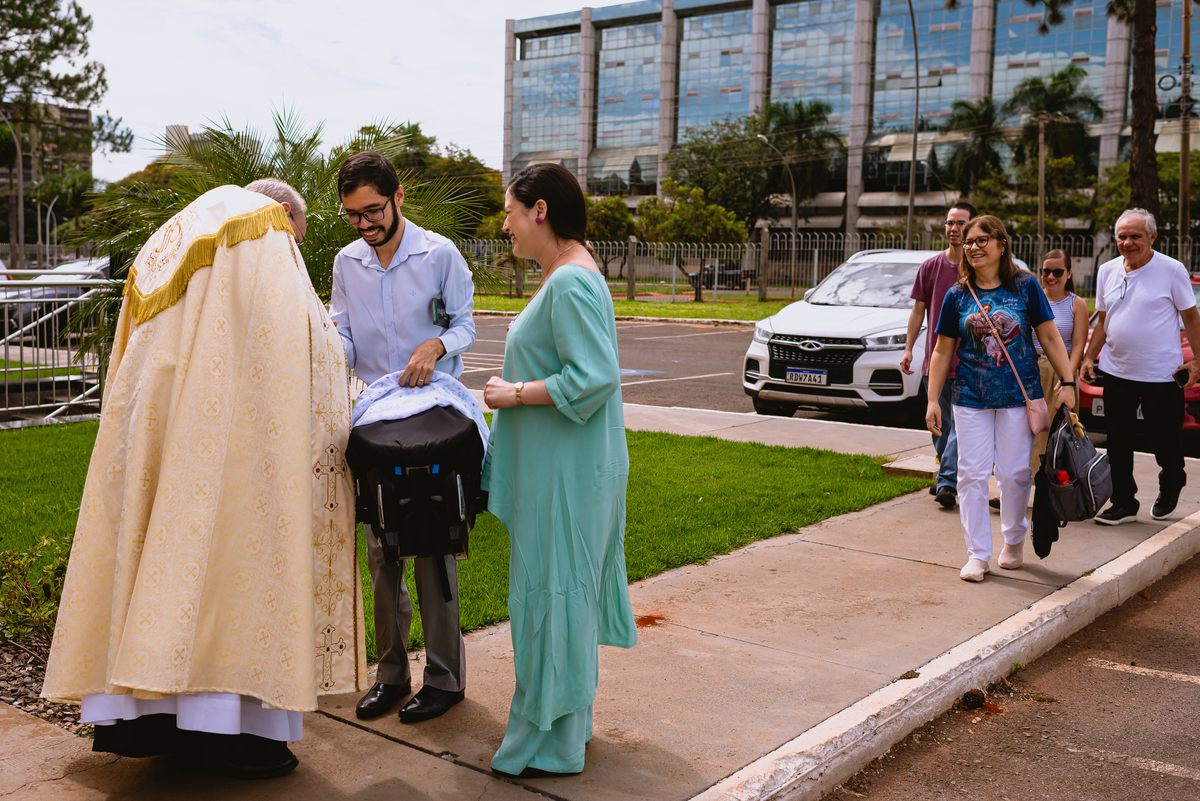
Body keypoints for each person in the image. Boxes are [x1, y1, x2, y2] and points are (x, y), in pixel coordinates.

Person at [41, 182, 365, 778]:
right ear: (285, 215)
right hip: (237, 447)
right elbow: (296, 343)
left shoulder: (177, 232)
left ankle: (148, 722)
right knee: (231, 581)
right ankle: (235, 737)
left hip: (161, 431)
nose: (293, 248)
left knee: (164, 572)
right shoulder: (261, 230)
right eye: (297, 237)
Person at [482, 163, 637, 775]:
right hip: (566, 467)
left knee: (552, 598)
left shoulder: (570, 282)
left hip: (566, 474)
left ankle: (548, 740)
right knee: (559, 596)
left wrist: (512, 393)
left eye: (511, 212)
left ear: (539, 210)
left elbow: (593, 377)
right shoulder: (571, 274)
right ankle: (565, 727)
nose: (506, 225)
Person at [329, 151, 477, 723]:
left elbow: (465, 324)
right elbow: (343, 335)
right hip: (375, 414)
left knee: (435, 541)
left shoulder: (439, 254)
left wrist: (435, 346)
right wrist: (318, 343)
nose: (365, 226)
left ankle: (444, 678)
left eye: (373, 212)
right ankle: (390, 675)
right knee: (380, 549)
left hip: (435, 412)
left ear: (398, 199)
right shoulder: (347, 262)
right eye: (353, 216)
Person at [925, 216, 1076, 582]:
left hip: (1018, 396)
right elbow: (943, 351)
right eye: (970, 241)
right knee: (971, 476)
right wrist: (932, 400)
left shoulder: (1025, 287)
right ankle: (977, 554)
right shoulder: (957, 295)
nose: (974, 246)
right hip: (969, 397)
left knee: (1013, 473)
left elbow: (1051, 338)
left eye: (983, 240)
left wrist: (1068, 382)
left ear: (1002, 244)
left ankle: (1013, 539)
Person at [1081, 208, 1200, 524]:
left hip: (1161, 374)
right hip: (1116, 370)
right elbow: (1104, 319)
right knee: (1118, 441)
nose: (1128, 242)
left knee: (1164, 437)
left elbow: (1190, 317)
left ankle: (1173, 480)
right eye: (1122, 236)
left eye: (1135, 236)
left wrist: (1198, 361)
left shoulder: (1171, 270)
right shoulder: (1107, 270)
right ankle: (1123, 503)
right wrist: (1089, 357)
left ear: (1152, 237)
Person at [902, 201, 978, 509]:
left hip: (971, 363)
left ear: (972, 227)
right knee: (938, 425)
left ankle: (946, 481)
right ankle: (949, 476)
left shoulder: (979, 268)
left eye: (961, 223)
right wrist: (909, 348)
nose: (954, 229)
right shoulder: (931, 266)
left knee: (961, 425)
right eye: (950, 223)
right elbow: (918, 309)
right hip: (934, 362)